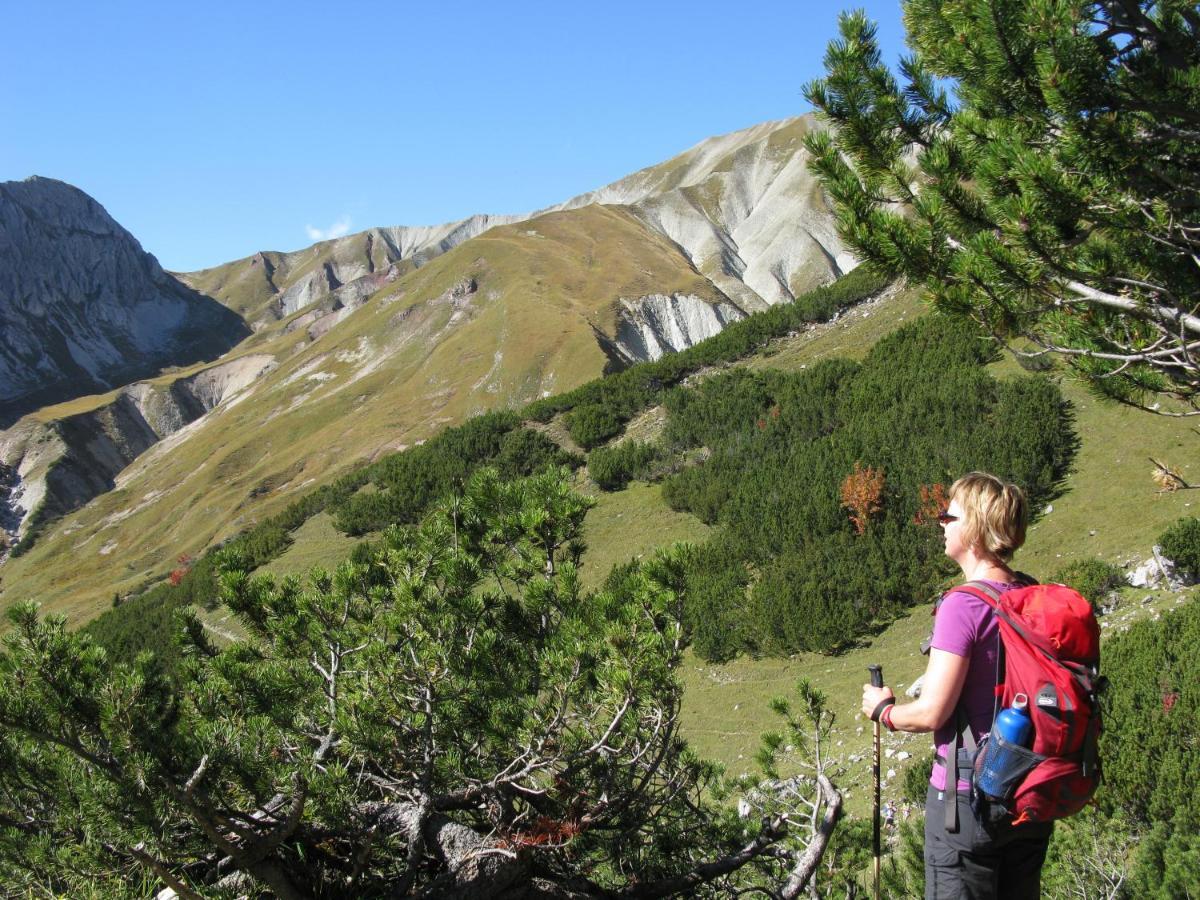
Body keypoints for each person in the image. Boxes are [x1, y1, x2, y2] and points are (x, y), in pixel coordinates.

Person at [861, 472, 1053, 899]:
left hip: (969, 798)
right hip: (1030, 792)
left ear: (974, 529)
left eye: (949, 515)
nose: (941, 523)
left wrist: (883, 711)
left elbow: (932, 713)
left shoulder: (962, 605)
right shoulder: (1031, 593)